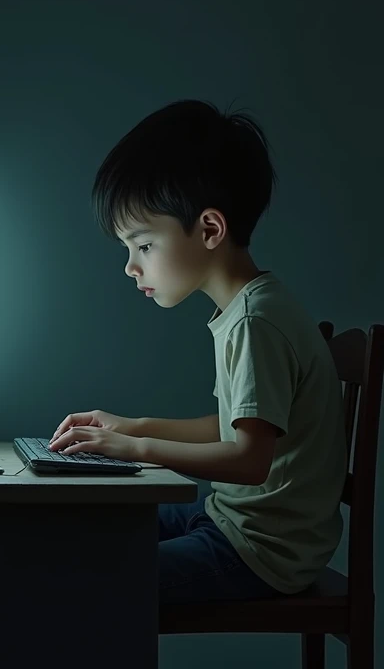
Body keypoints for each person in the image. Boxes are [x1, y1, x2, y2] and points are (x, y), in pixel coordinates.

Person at [49, 100, 348, 604]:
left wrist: (136, 451)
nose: (130, 267)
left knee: (92, 581)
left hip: (258, 552)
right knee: (88, 535)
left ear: (210, 230)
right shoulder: (246, 309)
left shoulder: (257, 321)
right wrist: (134, 425)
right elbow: (235, 427)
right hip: (228, 520)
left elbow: (251, 460)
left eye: (142, 245)